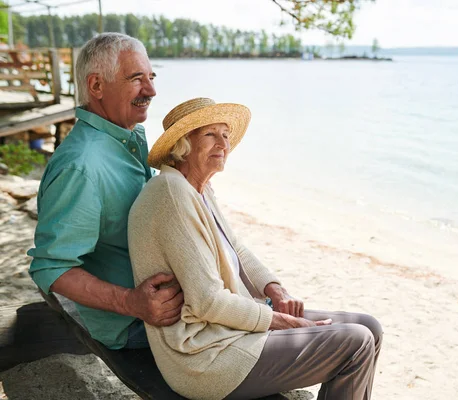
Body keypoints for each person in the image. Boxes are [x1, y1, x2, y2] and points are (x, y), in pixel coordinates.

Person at [128, 97, 383, 400]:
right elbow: (208, 303)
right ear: (183, 144)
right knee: (355, 341)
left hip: (231, 330)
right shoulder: (171, 193)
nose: (223, 143)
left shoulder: (199, 189)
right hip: (205, 356)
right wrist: (280, 322)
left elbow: (236, 250)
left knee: (370, 327)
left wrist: (275, 290)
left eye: (226, 134)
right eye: (210, 135)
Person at [27, 33, 183, 350]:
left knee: (291, 322)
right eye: (136, 79)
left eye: (151, 77)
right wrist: (133, 303)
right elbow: (52, 267)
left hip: (167, 307)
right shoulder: (80, 167)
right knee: (305, 340)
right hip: (132, 323)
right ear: (97, 86)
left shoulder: (129, 133)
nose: (151, 91)